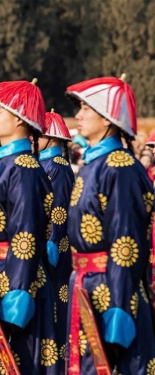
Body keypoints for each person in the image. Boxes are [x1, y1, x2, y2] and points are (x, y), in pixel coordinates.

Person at [65, 76, 155, 374]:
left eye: (86, 109)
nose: (78, 116)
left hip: (112, 290)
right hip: (87, 286)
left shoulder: (121, 168)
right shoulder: (94, 165)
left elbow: (126, 242)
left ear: (107, 119)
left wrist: (119, 304)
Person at [0, 80, 56, 374]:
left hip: (12, 280)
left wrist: (18, 293)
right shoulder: (2, 162)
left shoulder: (23, 167)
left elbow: (26, 236)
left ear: (19, 118)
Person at [38, 110, 75, 374]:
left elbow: (59, 211)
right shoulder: (45, 163)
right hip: (47, 244)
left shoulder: (58, 167)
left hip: (56, 248)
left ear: (51, 137)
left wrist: (52, 242)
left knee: (56, 307)